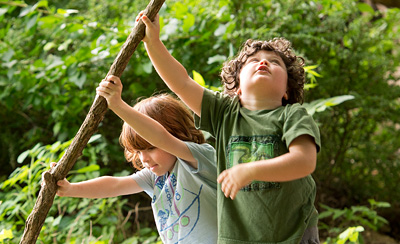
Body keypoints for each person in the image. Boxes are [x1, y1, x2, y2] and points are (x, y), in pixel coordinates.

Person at [137, 12, 321, 244]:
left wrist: (251, 170)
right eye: (253, 61)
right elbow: (181, 82)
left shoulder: (292, 115)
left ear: (286, 90)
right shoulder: (225, 113)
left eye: (275, 62)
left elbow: (305, 161)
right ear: (237, 87)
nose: (263, 62)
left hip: (294, 234)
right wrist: (153, 42)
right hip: (238, 238)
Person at [48, 79, 218, 244]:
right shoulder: (156, 178)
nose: (143, 159)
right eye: (138, 151)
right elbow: (114, 185)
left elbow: (160, 137)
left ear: (178, 134)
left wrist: (117, 105)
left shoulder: (200, 157)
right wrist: (71, 189)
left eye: (151, 148)